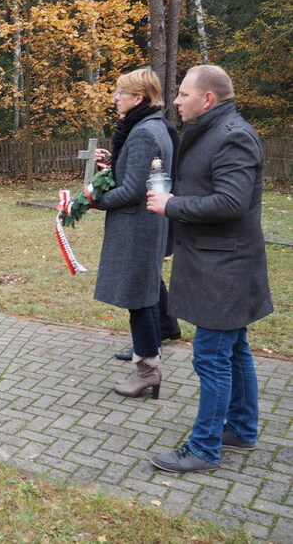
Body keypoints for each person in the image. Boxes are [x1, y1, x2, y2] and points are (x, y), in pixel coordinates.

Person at [147, 64, 273, 473]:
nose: (177, 101)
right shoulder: (209, 133)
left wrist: (172, 206)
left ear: (208, 99)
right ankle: (241, 429)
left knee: (212, 358)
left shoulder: (232, 137)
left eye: (183, 94)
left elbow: (231, 203)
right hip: (214, 263)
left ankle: (204, 449)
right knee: (235, 352)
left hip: (226, 269)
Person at [92, 67, 174, 399]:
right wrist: (114, 161)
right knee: (147, 295)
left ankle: (147, 371)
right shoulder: (153, 126)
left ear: (138, 98)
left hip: (137, 228)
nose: (115, 98)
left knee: (139, 301)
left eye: (120, 93)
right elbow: (139, 174)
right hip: (148, 225)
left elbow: (130, 192)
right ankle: (148, 362)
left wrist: (94, 200)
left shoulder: (143, 132)